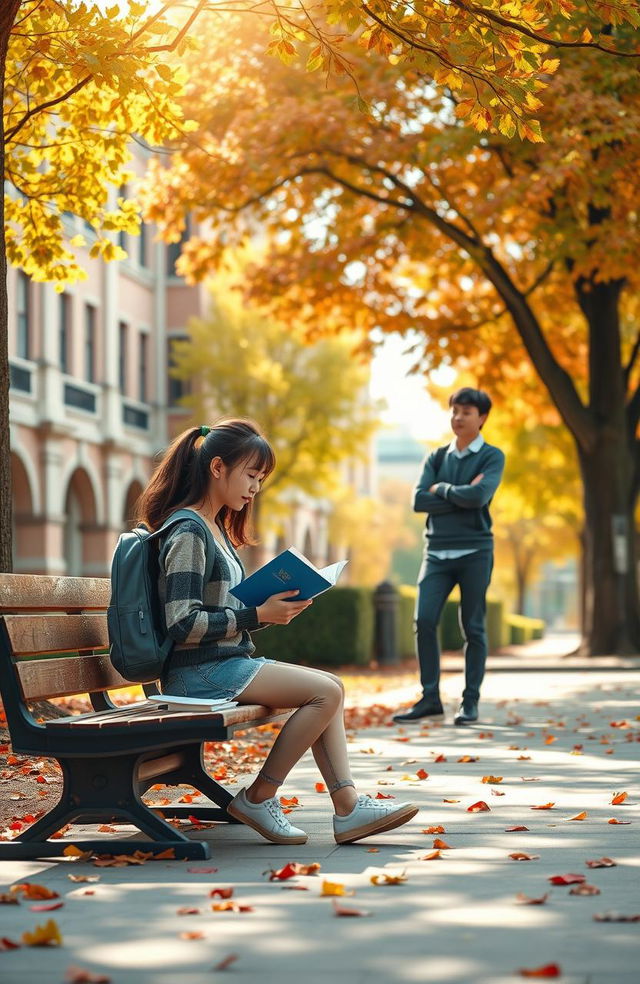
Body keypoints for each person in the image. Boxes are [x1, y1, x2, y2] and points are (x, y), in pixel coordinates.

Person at [137, 417, 418, 846]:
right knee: (326, 693)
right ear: (217, 468)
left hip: (222, 663)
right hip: (198, 673)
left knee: (330, 685)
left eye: (261, 479)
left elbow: (215, 611)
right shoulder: (189, 530)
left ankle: (348, 806)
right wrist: (255, 615)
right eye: (251, 475)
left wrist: (267, 610)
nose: (255, 488)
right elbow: (182, 622)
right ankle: (260, 796)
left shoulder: (214, 528)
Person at [393, 388, 505, 727]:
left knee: (473, 626)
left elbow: (479, 497)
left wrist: (439, 490)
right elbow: (418, 501)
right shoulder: (436, 458)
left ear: (482, 417)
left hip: (475, 551)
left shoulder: (492, 456)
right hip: (436, 552)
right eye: (454, 411)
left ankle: (469, 703)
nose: (457, 417)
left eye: (466, 412)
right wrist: (456, 493)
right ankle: (430, 699)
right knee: (424, 621)